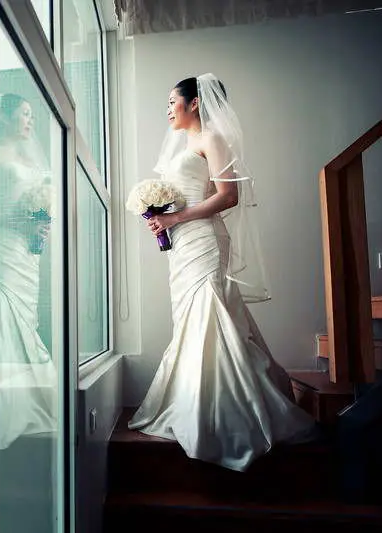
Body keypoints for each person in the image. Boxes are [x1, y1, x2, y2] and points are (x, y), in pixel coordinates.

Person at [128, 74, 316, 471]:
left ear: (195, 103)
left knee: (209, 315)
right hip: (184, 244)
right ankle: (201, 404)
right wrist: (162, 217)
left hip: (206, 242)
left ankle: (226, 417)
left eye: (172, 101)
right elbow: (186, 195)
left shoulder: (211, 139)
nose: (167, 108)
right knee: (194, 318)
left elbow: (229, 196)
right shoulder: (186, 143)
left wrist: (177, 215)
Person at [0, 93, 57, 450]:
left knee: (25, 317)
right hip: (2, 243)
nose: (30, 122)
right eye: (24, 114)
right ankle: (6, 407)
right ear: (5, 117)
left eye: (33, 115)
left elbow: (40, 198)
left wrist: (40, 222)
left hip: (26, 252)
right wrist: (23, 220)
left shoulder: (28, 156)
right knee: (4, 313)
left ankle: (31, 398)